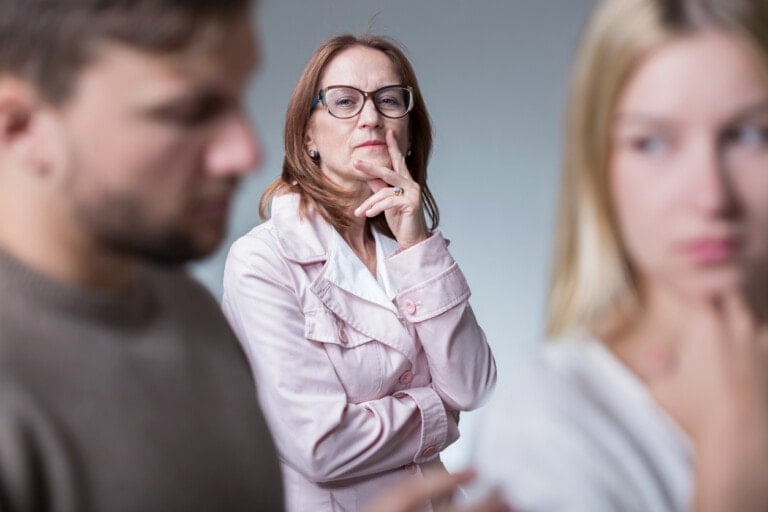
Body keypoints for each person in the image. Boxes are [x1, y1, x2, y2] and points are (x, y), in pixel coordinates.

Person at [474, 0, 768, 510]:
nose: (711, 196)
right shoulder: (550, 422)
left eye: (751, 135)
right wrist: (734, 466)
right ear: (598, 165)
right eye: (652, 143)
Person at [0, 0, 286, 510]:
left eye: (238, 98)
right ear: (21, 126)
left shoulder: (191, 310)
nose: (246, 152)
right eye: (188, 112)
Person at [222, 33, 497, 511]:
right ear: (307, 134)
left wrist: (417, 243)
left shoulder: (411, 252)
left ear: (409, 134)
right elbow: (322, 447)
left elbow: (472, 385)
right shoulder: (262, 261)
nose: (370, 116)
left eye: (389, 101)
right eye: (344, 101)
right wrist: (437, 409)